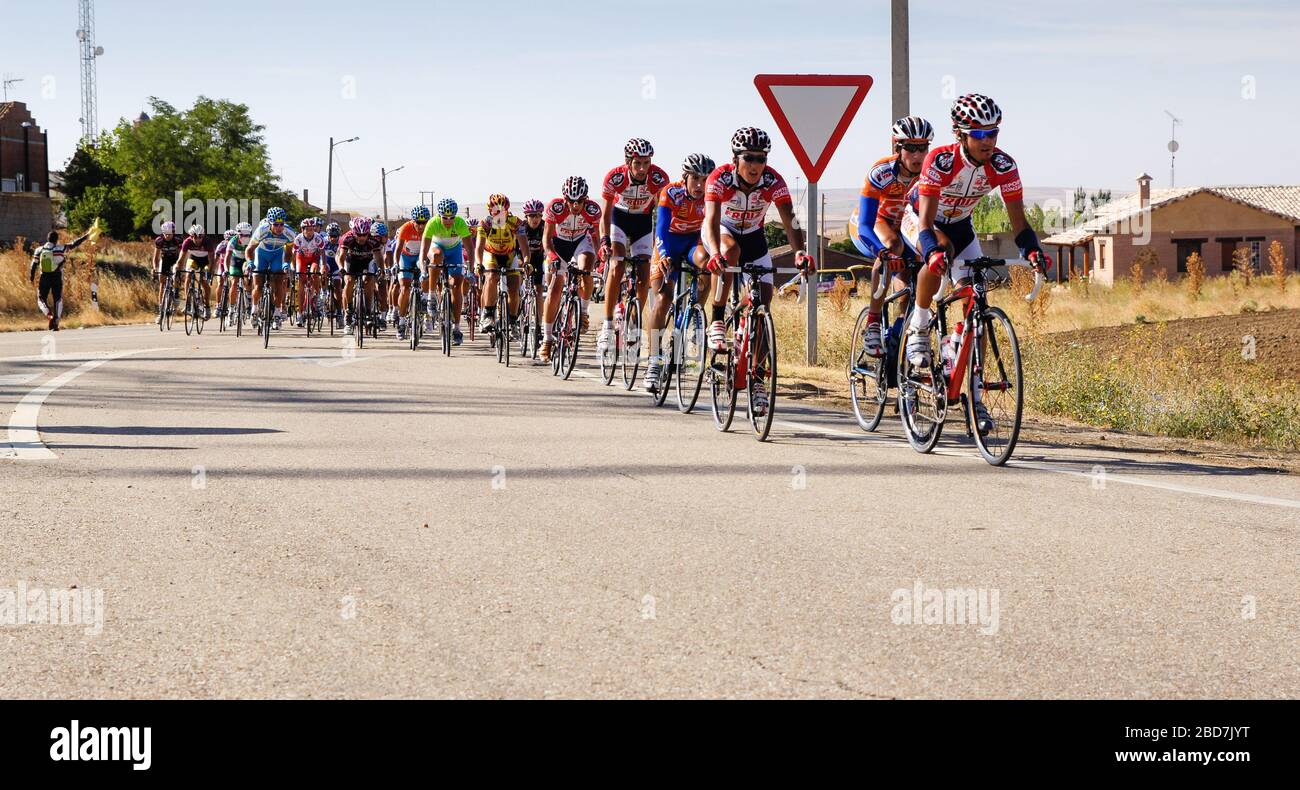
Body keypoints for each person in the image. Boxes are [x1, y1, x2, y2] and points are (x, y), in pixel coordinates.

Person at [903, 93, 1050, 435]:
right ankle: (920, 326)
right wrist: (934, 251)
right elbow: (925, 225)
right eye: (980, 134)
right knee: (939, 248)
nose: (988, 141)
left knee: (975, 301)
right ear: (960, 134)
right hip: (924, 221)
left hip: (962, 227)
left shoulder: (1003, 166)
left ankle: (974, 389)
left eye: (993, 133)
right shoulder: (939, 161)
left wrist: (1032, 251)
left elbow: (1020, 223)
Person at [701, 126, 814, 413]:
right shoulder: (720, 178)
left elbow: (791, 221)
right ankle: (716, 317)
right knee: (730, 253)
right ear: (735, 158)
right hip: (722, 233)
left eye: (761, 158)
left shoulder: (773, 180)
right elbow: (712, 219)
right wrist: (714, 253)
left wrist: (800, 252)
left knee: (763, 303)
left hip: (754, 236)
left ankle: (758, 380)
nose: (755, 165)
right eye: (749, 158)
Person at [853, 115, 933, 357]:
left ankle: (902, 328)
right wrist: (882, 252)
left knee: (917, 276)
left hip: (908, 226)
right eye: (911, 148)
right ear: (898, 147)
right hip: (875, 224)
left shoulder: (932, 173)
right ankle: (873, 322)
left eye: (923, 148)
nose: (918, 155)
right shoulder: (882, 172)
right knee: (893, 247)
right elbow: (865, 224)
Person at [642, 153, 714, 392]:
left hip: (693, 242)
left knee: (708, 263)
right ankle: (653, 360)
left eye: (705, 179)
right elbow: (660, 228)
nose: (700, 185)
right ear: (685, 178)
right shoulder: (671, 193)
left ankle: (695, 314)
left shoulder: (712, 195)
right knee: (662, 297)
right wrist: (662, 256)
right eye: (695, 178)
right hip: (669, 244)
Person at [597, 138, 671, 356]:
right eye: (638, 163)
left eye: (646, 163)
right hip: (619, 219)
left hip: (642, 221)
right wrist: (604, 240)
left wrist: (662, 242)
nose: (642, 169)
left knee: (643, 271)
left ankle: (634, 321)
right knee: (617, 265)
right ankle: (608, 325)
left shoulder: (659, 178)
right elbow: (605, 213)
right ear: (628, 162)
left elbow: (663, 212)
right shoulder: (615, 177)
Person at [539, 176, 601, 363]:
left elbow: (596, 237)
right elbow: (546, 238)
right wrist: (551, 257)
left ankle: (582, 311)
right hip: (558, 245)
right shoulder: (555, 207)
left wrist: (597, 256)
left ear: (586, 198)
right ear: (565, 199)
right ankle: (547, 339)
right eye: (572, 201)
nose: (575, 206)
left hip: (580, 243)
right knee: (554, 290)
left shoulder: (592, 209)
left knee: (586, 267)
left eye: (580, 201)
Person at [418, 198, 473, 345]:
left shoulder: (460, 223)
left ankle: (456, 328)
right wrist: (423, 268)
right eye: (445, 218)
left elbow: (470, 249)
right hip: (437, 247)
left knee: (456, 286)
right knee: (436, 257)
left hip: (454, 251)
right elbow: (424, 248)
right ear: (439, 215)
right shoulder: (433, 223)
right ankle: (431, 297)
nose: (448, 221)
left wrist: (471, 270)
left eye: (451, 218)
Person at [475, 193, 527, 335]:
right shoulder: (484, 224)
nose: (499, 214)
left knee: (514, 285)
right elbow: (479, 246)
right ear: (490, 211)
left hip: (510, 255)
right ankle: (488, 315)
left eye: (503, 211)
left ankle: (512, 321)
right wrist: (478, 264)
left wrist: (527, 261)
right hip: (491, 254)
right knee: (491, 276)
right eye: (496, 211)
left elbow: (523, 245)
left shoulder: (516, 222)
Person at [29, 228, 93, 330]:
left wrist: (31, 277)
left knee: (41, 299)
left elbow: (33, 265)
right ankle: (56, 322)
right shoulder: (61, 248)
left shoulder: (39, 250)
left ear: (47, 239)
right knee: (57, 299)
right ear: (56, 240)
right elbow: (74, 244)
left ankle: (49, 315)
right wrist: (86, 236)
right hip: (57, 276)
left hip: (44, 277)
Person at [245, 207, 296, 330]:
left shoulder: (289, 233)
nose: (279, 228)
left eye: (281, 224)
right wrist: (250, 262)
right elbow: (249, 249)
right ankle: (255, 309)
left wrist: (286, 263)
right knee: (258, 286)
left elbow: (289, 252)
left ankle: (277, 313)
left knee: (279, 283)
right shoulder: (261, 230)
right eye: (276, 225)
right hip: (261, 254)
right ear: (269, 223)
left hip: (277, 255)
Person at [176, 224, 214, 320]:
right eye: (195, 237)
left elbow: (211, 261)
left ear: (203, 236)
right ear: (191, 236)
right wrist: (178, 270)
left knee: (204, 282)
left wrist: (209, 272)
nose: (198, 240)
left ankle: (207, 307)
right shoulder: (187, 242)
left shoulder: (207, 242)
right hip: (193, 259)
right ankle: (188, 302)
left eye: (200, 237)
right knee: (188, 275)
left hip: (205, 261)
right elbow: (181, 259)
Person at [152, 221, 183, 314]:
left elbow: (182, 254)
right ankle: (161, 308)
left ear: (173, 233)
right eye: (166, 234)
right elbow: (156, 257)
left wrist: (180, 266)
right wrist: (154, 268)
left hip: (175, 259)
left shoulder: (178, 239)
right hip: (164, 259)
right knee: (162, 282)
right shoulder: (159, 241)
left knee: (176, 274)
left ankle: (176, 292)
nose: (168, 236)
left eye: (170, 234)